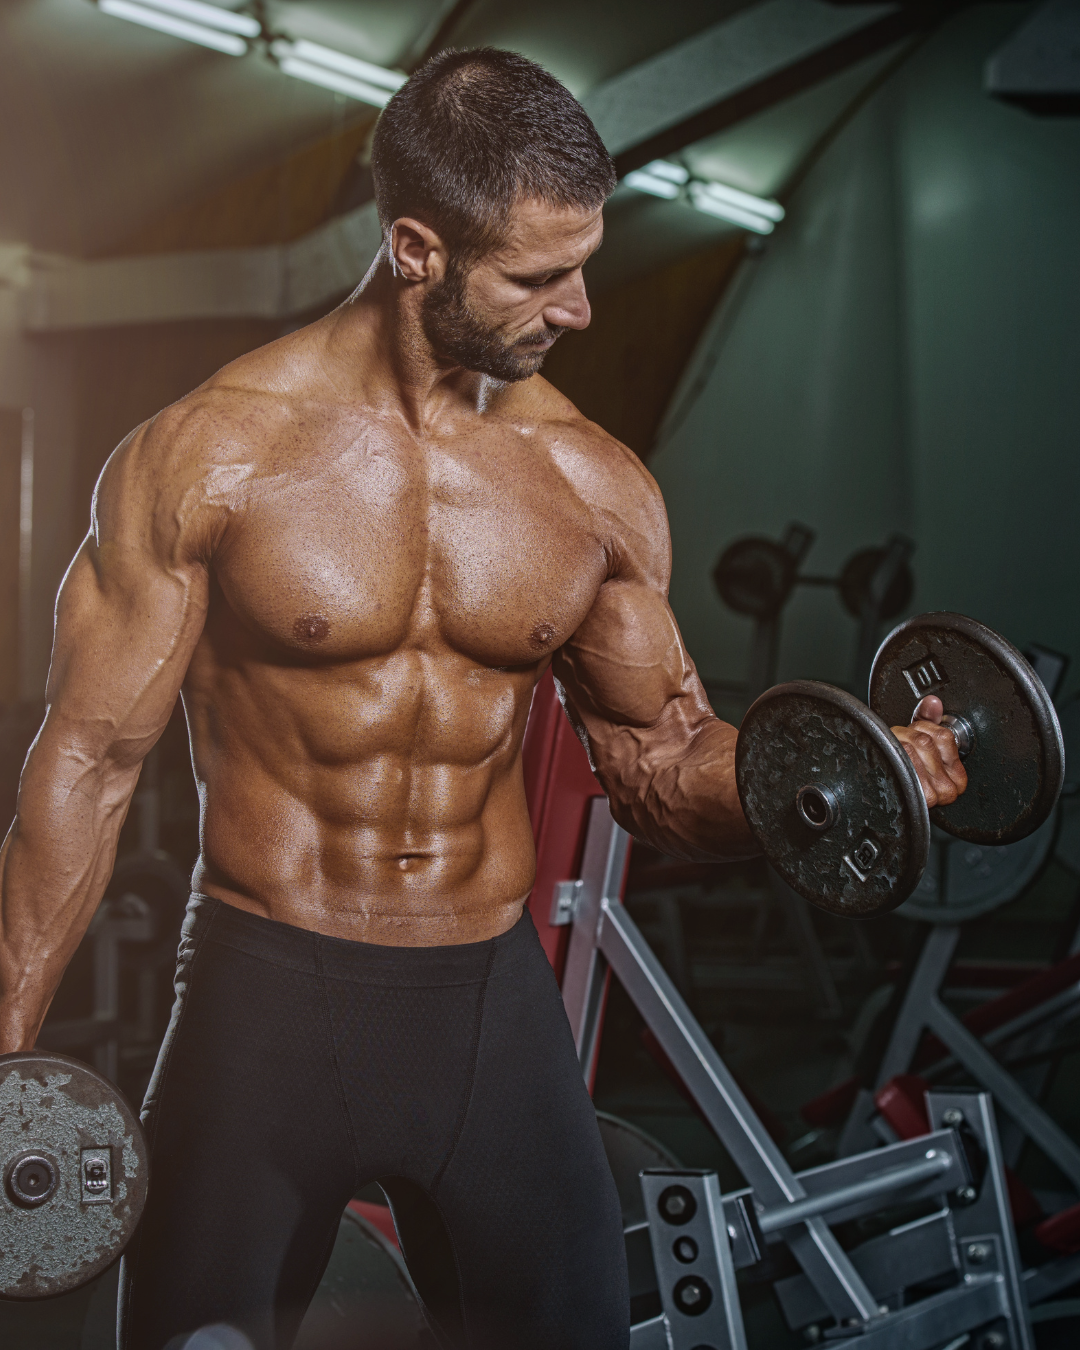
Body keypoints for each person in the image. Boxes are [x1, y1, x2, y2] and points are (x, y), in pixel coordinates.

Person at [0, 47, 967, 1350]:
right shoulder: (208, 458)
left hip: (485, 1007)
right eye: (536, 276)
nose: (581, 308)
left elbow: (662, 765)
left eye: (587, 264)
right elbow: (88, 763)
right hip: (266, 992)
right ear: (416, 249)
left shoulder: (589, 483)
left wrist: (849, 779)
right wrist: (8, 1041)